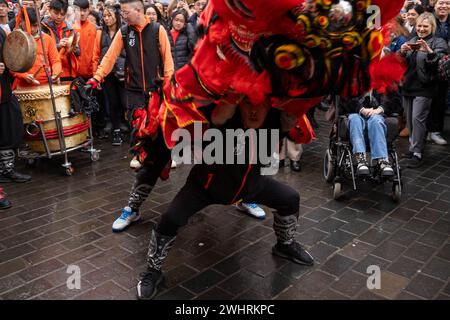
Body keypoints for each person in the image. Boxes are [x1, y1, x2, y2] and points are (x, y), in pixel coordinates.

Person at [136, 100, 314, 300]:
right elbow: (184, 112)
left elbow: (292, 115)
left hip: (251, 186)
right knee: (170, 218)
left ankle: (285, 244)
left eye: (260, 106)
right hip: (205, 187)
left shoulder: (274, 118)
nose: (254, 112)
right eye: (249, 105)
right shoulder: (216, 112)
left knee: (290, 199)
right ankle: (153, 269)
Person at [87, 0, 174, 232]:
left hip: (158, 94)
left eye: (125, 12)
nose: (122, 15)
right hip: (134, 95)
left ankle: (161, 162)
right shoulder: (124, 33)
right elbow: (110, 57)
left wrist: (170, 91)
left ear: (138, 10)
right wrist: (97, 77)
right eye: (121, 12)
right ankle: (133, 207)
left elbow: (168, 64)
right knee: (143, 149)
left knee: (161, 144)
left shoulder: (158, 30)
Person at [400, 12, 448, 168]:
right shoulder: (412, 40)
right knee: (410, 121)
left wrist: (430, 52)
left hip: (425, 88)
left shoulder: (438, 42)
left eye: (425, 26)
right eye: (419, 25)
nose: (421, 28)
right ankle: (413, 148)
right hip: (408, 86)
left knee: (418, 120)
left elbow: (440, 65)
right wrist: (401, 52)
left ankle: (418, 153)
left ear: (432, 27)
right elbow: (401, 64)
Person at [0, 26, 31, 183]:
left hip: (4, 91)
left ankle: (7, 169)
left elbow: (10, 57)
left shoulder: (1, 32)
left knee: (11, 128)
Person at [341, 91, 400, 176]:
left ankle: (382, 159)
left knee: (376, 121)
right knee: (355, 120)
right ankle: (360, 158)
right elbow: (345, 98)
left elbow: (394, 99)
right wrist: (362, 109)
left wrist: (380, 109)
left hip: (377, 113)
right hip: (355, 112)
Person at [92, 4, 127, 146]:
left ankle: (134, 129)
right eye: (104, 16)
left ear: (116, 16)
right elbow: (96, 55)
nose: (107, 19)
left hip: (123, 73)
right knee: (112, 103)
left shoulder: (124, 31)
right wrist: (97, 75)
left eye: (109, 15)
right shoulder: (100, 33)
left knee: (126, 102)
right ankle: (116, 130)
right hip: (108, 74)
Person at [12, 8, 62, 88]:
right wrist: (24, 75)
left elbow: (55, 61)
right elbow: (12, 66)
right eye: (28, 25)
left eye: (35, 25)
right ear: (21, 22)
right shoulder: (14, 39)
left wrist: (55, 74)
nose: (32, 29)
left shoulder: (47, 39)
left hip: (46, 85)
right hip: (22, 85)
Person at [427, 0, 450, 145]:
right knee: (427, 99)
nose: (444, 6)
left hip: (446, 67)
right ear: (434, 5)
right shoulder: (428, 18)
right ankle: (423, 131)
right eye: (441, 2)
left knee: (440, 99)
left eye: (447, 3)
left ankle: (435, 131)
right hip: (430, 63)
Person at [42, 0, 79, 81]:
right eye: (56, 13)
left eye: (62, 14)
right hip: (50, 72)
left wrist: (73, 48)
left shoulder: (70, 28)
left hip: (67, 71)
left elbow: (78, 52)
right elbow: (42, 50)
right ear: (49, 10)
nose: (59, 17)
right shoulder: (43, 27)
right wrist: (58, 45)